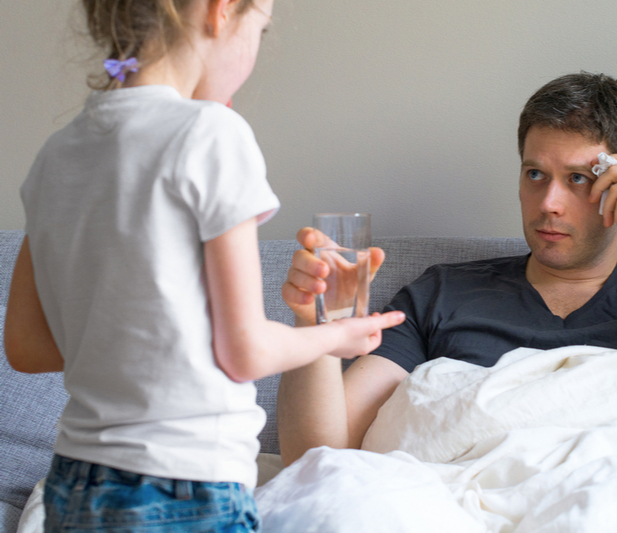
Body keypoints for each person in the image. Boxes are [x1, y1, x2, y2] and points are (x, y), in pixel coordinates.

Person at [3, 0, 405, 530]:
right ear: (220, 12)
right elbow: (244, 351)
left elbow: (27, 348)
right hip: (184, 487)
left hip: (74, 484)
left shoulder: (57, 153)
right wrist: (339, 336)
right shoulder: (211, 133)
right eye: (260, 28)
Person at [278, 72, 617, 466]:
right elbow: (320, 453)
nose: (547, 202)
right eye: (534, 173)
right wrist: (314, 325)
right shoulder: (441, 292)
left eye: (576, 178)